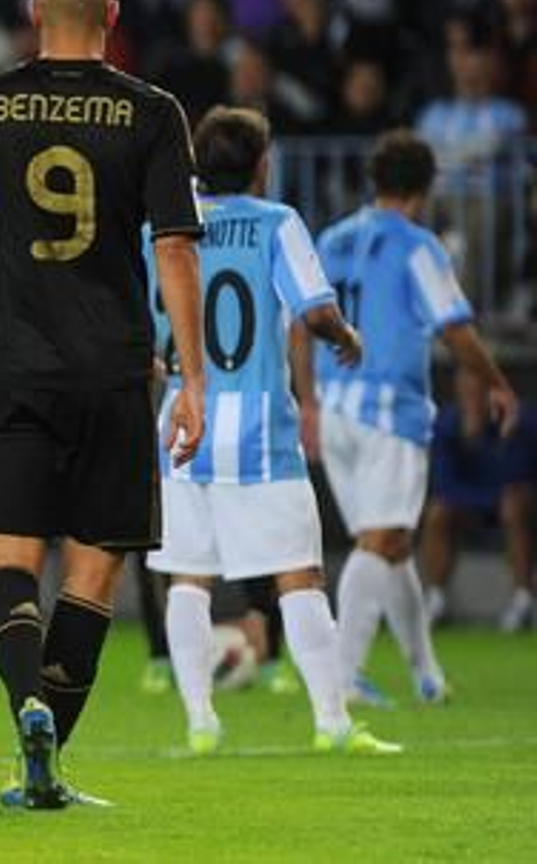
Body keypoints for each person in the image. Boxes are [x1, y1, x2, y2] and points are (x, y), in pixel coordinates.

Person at [0, 0, 207, 810]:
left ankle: (27, 705)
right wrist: (192, 378)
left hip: (12, 363)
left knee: (11, 562)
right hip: (112, 372)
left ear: (35, 12)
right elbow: (175, 249)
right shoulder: (153, 112)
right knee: (91, 579)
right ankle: (45, 759)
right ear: (111, 15)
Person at [145, 106, 398, 757]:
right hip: (259, 429)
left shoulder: (164, 229)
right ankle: (332, 721)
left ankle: (200, 722)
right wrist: (346, 337)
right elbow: (315, 313)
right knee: (298, 576)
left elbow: (147, 334)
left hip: (184, 425)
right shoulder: (278, 222)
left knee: (188, 579)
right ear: (263, 165)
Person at [307, 130, 520, 707]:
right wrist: (498, 381)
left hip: (335, 408)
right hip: (388, 411)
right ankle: (342, 674)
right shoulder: (417, 245)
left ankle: (426, 673)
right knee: (382, 539)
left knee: (393, 545)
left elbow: (300, 322)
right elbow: (453, 326)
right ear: (424, 189)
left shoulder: (332, 237)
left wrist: (306, 400)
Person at [420, 367, 536, 632]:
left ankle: (523, 600)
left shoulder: (522, 421)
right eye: (466, 391)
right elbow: (443, 484)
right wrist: (471, 437)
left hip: (519, 510)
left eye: (481, 391)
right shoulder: (448, 424)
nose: (473, 397)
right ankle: (436, 599)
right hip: (475, 505)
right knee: (438, 512)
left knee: (514, 503)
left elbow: (519, 476)